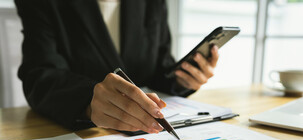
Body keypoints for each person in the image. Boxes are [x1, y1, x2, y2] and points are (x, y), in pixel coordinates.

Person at [14, 0, 219, 133]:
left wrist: (184, 78)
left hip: (137, 135)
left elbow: (158, 71)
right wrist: (88, 100)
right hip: (82, 136)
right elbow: (39, 77)